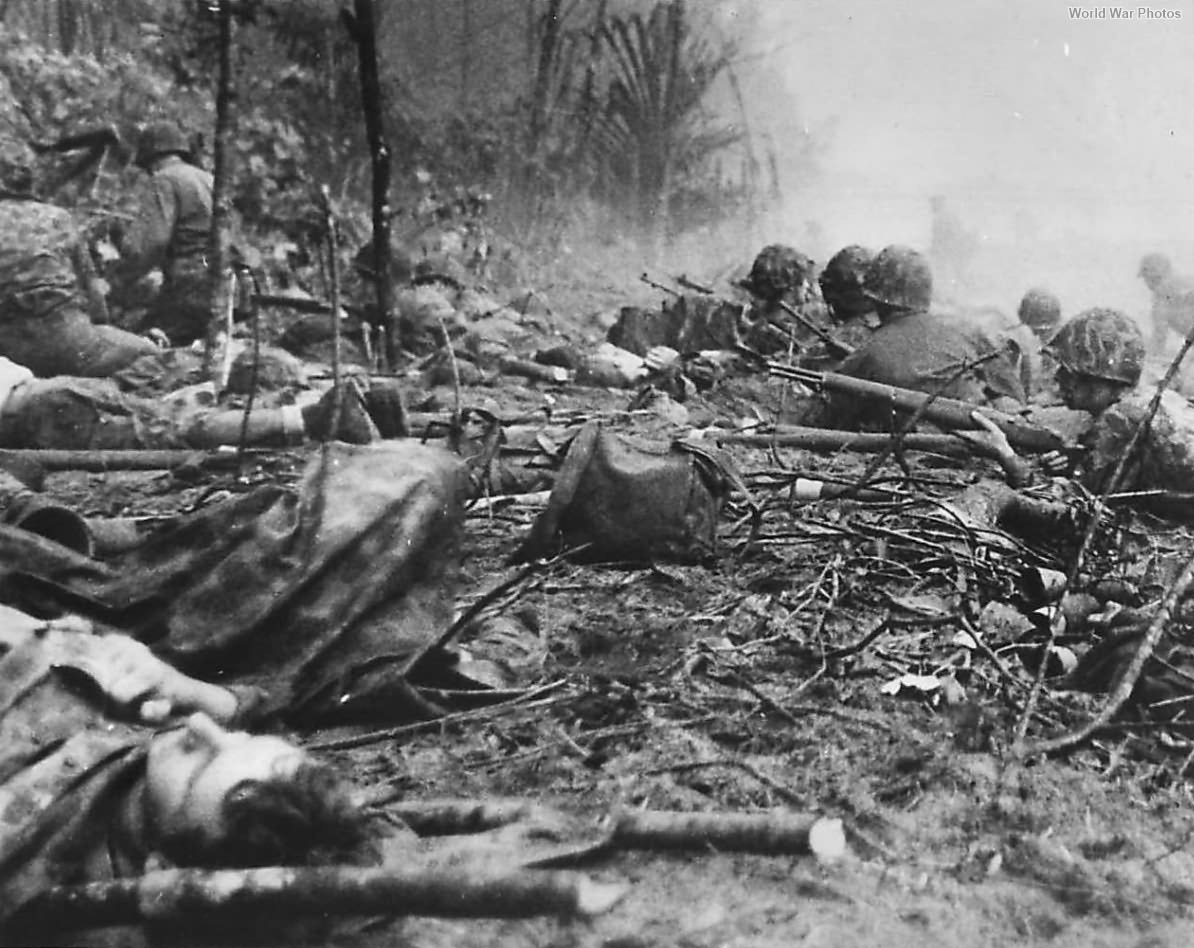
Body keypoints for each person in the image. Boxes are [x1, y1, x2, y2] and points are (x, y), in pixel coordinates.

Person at [0, 610, 383, 940]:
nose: (201, 726)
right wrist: (192, 690)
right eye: (242, 738)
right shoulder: (179, 807)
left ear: (163, 871)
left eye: (197, 766)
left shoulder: (28, 850)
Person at [0, 140, 160, 377]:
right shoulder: (58, 218)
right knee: (151, 354)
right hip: (70, 340)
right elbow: (94, 296)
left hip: (9, 348)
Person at [821, 245, 1025, 429]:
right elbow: (1014, 393)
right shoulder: (968, 331)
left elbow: (824, 419)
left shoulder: (867, 354)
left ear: (875, 298)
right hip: (985, 437)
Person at [0, 352, 381, 450]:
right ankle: (315, 408)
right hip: (48, 390)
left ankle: (311, 415)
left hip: (39, 411)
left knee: (169, 431)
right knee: (167, 416)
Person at [110, 120, 215, 346]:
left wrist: (119, 279)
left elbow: (152, 242)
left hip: (189, 287)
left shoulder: (164, 180)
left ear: (150, 160)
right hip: (222, 283)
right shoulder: (209, 179)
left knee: (139, 344)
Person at [1137, 252, 1194, 355]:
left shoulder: (1161, 299)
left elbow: (1159, 341)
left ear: (1152, 277)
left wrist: (1141, 348)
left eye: (1145, 278)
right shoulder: (1187, 282)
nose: (1146, 283)